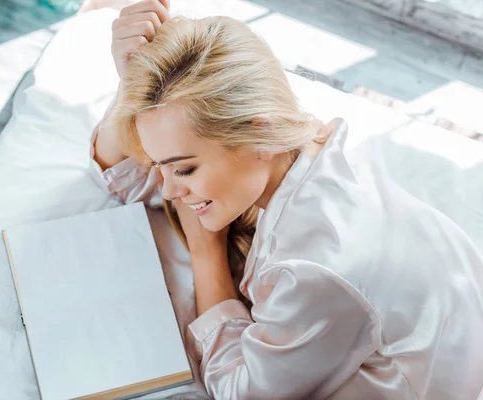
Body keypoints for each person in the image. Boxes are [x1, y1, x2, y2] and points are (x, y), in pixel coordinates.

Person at [90, 0, 483, 398]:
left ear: (257, 132)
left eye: (185, 170)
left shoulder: (313, 268)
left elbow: (240, 392)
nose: (170, 189)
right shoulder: (301, 148)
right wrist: (130, 85)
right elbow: (122, 179)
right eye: (164, 166)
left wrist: (205, 250)